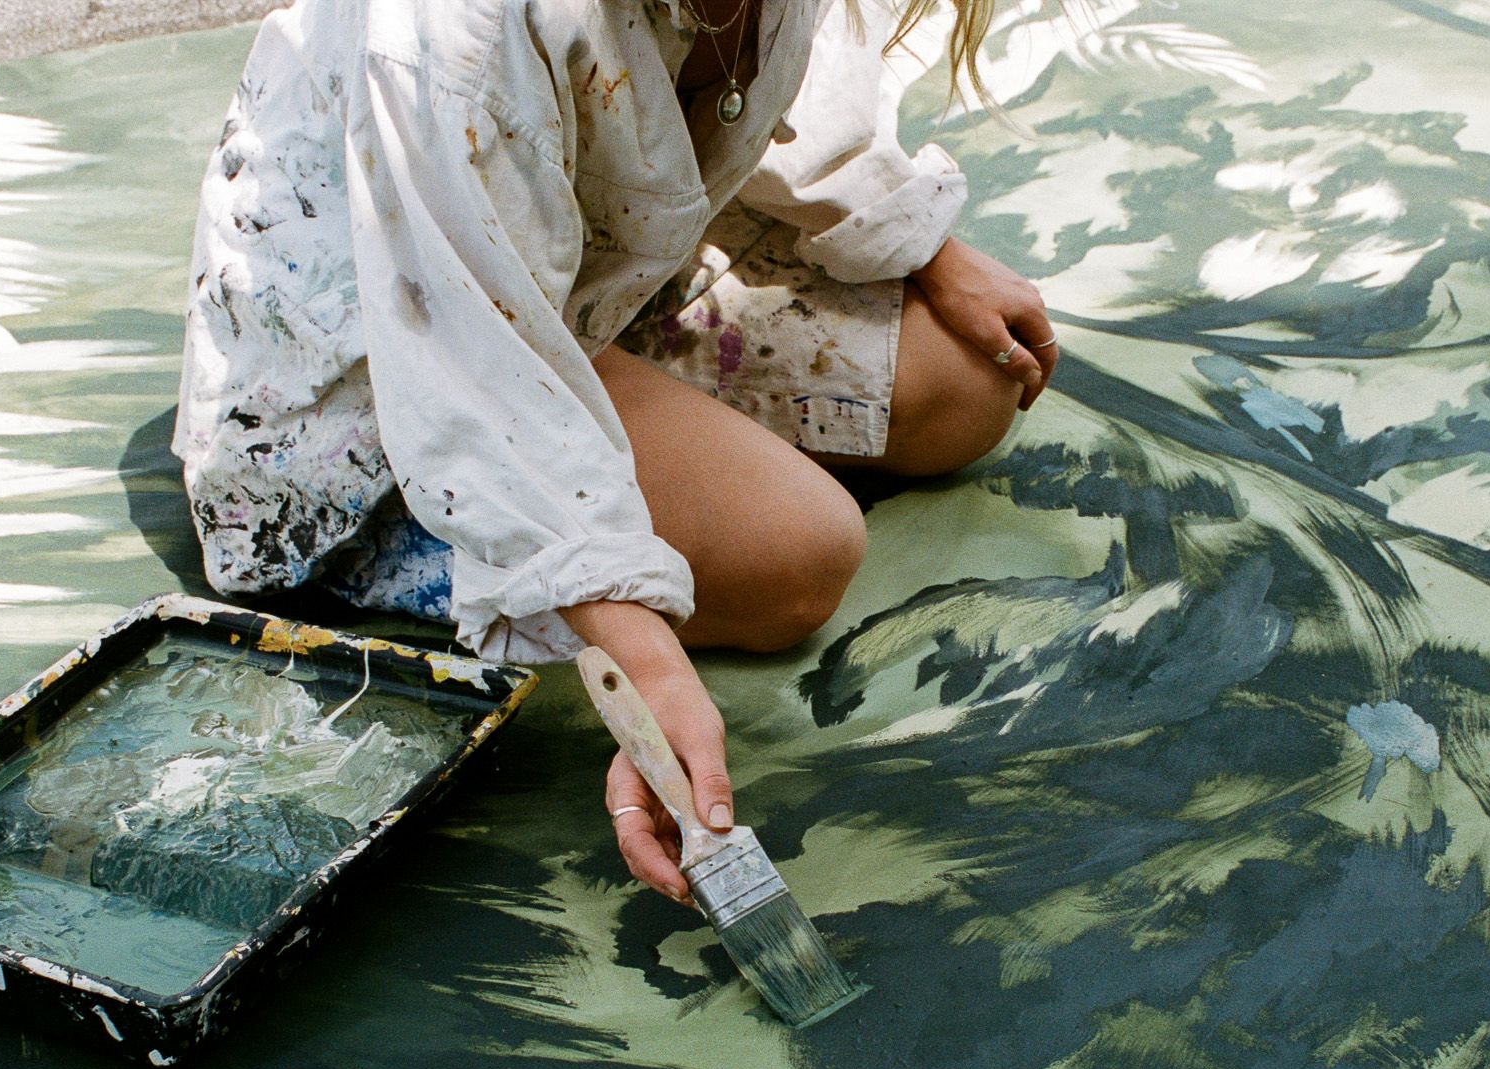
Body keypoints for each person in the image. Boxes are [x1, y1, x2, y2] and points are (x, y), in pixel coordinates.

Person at [173, 0, 1059, 905]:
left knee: (964, 388)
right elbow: (468, 362)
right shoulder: (454, 28)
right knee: (796, 556)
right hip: (380, 366)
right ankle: (436, 544)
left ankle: (638, 425)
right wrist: (646, 667)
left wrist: (927, 248)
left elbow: (766, 92)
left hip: (592, 278)